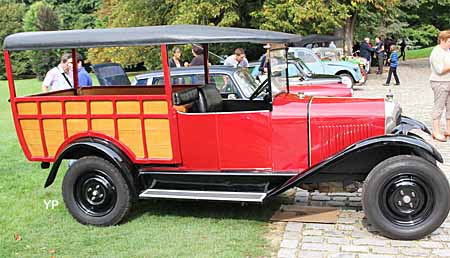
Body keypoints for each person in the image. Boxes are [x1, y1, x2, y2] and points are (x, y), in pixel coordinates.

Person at [429, 30, 450, 142]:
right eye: (449, 41)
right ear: (442, 40)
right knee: (439, 106)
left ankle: (448, 129)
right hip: (440, 82)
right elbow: (440, 70)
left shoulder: (447, 51)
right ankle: (436, 131)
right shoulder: (437, 52)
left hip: (448, 81)